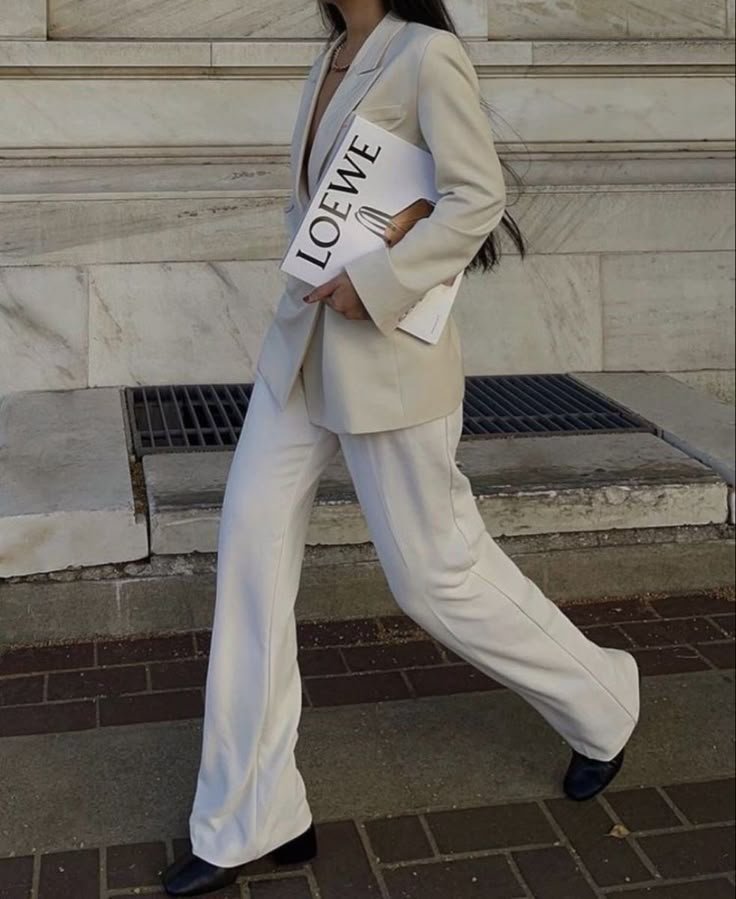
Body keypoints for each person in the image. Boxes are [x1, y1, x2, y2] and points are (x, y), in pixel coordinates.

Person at [163, 2, 641, 895]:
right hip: (298, 354)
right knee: (248, 557)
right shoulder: (330, 58)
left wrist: (376, 280)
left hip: (387, 358)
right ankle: (252, 815)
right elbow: (314, 202)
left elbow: (477, 194)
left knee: (434, 574)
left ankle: (604, 700)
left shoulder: (426, 55)